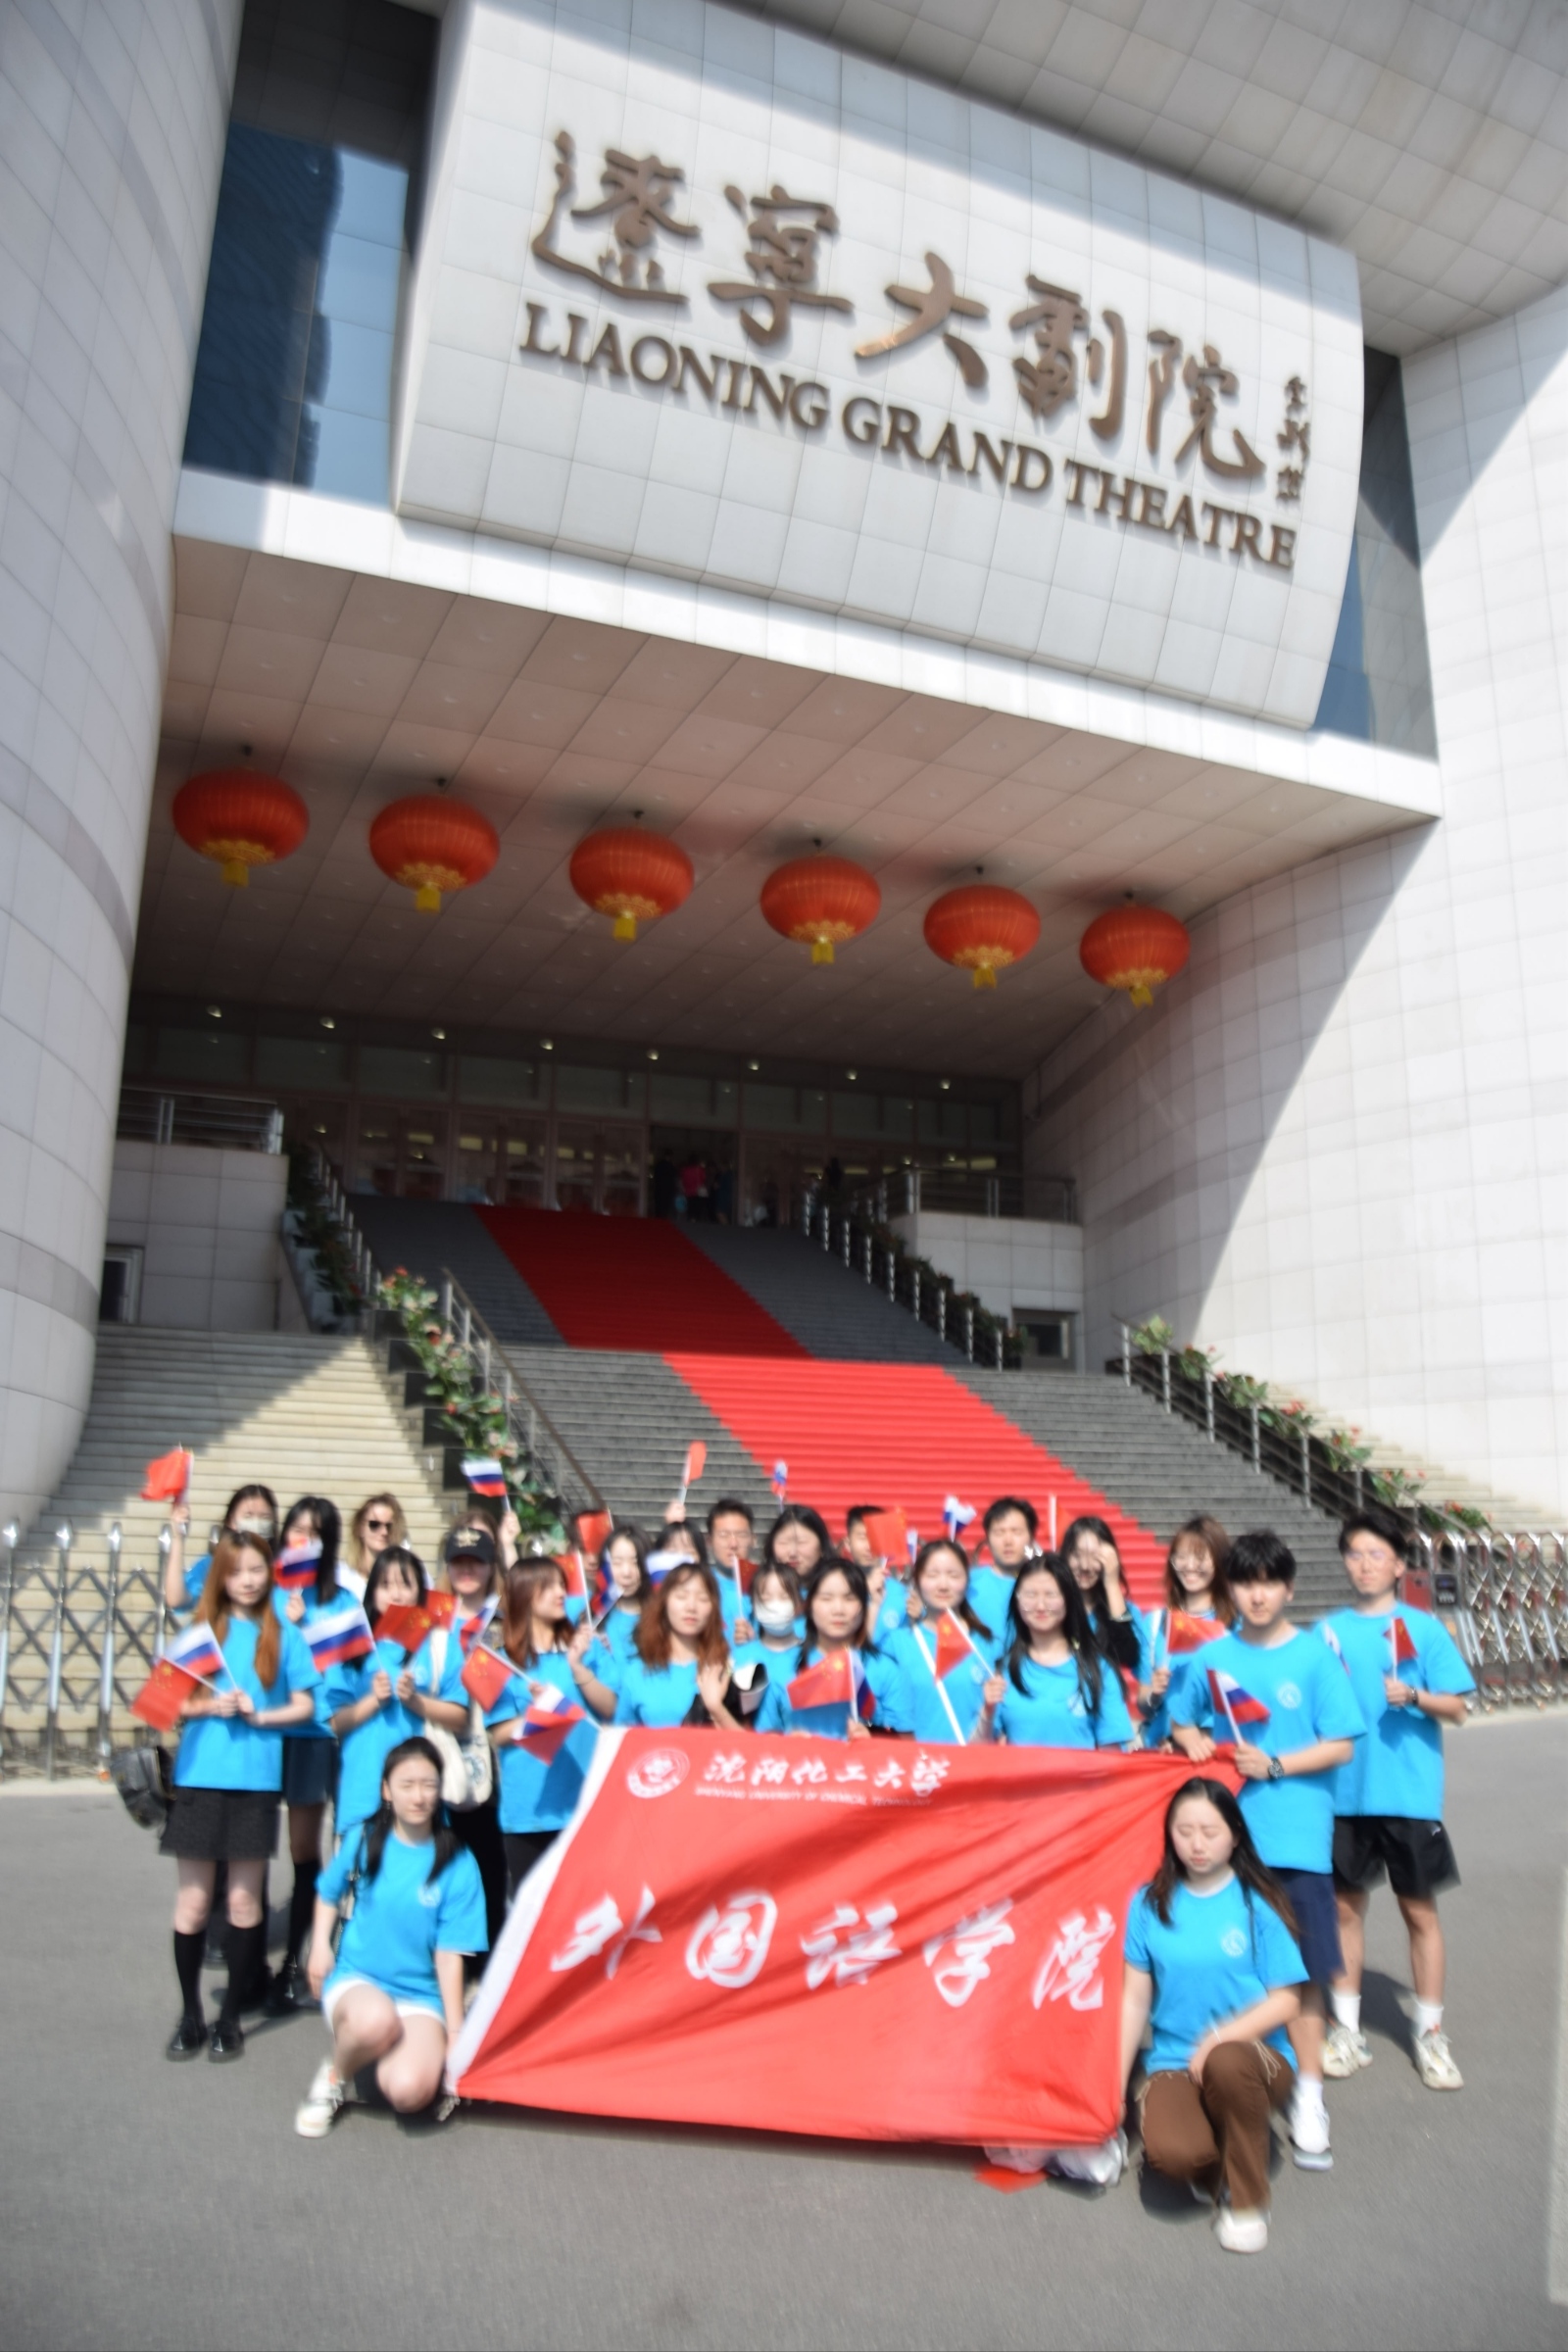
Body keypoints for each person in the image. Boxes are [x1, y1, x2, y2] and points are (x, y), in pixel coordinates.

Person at [1170, 1529, 1364, 2174]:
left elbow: (1341, 1744)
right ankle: (1229, 2077)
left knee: (1302, 1975)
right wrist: (1191, 1738)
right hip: (1225, 1845)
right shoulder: (1211, 1657)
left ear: (1289, 1589)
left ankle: (1309, 2095)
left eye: (1269, 1583)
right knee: (1233, 1962)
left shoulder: (1313, 1658)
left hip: (1296, 1843)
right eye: (1246, 1583)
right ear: (1230, 1589)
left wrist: (1276, 1765)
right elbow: (1181, 1719)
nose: (1257, 1595)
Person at [1318, 1507, 1474, 2091]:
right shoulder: (1326, 1632)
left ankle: (1430, 2034)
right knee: (1344, 1912)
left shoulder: (1423, 1629)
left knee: (1419, 1913)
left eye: (1377, 1555)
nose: (1365, 1564)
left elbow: (1458, 1707)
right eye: (1355, 1554)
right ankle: (1347, 2030)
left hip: (1407, 1795)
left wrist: (1413, 1695)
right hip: (1344, 1794)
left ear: (1399, 1565)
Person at [1122, 1780, 1307, 2255]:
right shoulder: (1147, 1904)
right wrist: (1114, 2084)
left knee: (1227, 2063)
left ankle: (1247, 2202)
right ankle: (1230, 2146)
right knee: (1177, 2156)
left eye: (1210, 1831)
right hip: (1173, 2060)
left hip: (1254, 2058)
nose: (1197, 1844)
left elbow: (1287, 2001)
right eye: (1184, 1831)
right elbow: (1135, 2000)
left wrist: (1218, 2039)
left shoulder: (1257, 1904)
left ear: (1235, 1836)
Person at [160, 1532, 319, 2062]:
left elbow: (305, 1704)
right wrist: (210, 1706)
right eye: (236, 1571)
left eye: (256, 1570)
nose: (247, 1580)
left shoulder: (285, 1633)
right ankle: (190, 2014)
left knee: (244, 1902)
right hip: (200, 1777)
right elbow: (166, 1702)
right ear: (220, 1577)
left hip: (256, 1782)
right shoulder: (201, 1630)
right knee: (194, 1902)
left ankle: (230, 2019)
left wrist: (262, 1715)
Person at [295, 1737, 488, 2137]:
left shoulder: (459, 1862)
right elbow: (328, 1893)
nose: (419, 1796)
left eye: (429, 1785)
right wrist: (319, 1948)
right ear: (386, 1790)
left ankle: (392, 2050)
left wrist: (455, 2033)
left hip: (421, 1996)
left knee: (408, 2092)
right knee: (374, 2021)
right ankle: (335, 2076)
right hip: (358, 1980)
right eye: (407, 1785)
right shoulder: (364, 1839)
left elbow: (449, 1956)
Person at [327, 1547, 468, 1841]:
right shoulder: (352, 1644)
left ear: (420, 1591)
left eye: (406, 1584)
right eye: (385, 1584)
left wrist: (416, 1702)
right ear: (372, 1590)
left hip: (420, 1794)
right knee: (358, 1867)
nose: (396, 1594)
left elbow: (459, 1717)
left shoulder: (439, 1642)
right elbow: (332, 1723)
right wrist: (373, 1701)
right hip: (362, 1788)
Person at [269, 1495, 349, 2010]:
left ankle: (298, 1960)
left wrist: (305, 1629)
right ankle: (256, 1958)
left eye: (314, 1533)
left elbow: (343, 1672)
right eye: (296, 1530)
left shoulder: (340, 1601)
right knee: (259, 1848)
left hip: (318, 1733)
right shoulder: (266, 1593)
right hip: (269, 1731)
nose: (303, 1540)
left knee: (310, 1849)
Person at [485, 1561, 600, 1898]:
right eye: (548, 1586)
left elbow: (612, 1710)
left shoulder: (585, 1652)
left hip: (585, 1806)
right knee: (533, 1915)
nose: (561, 1593)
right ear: (524, 1594)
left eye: (562, 1585)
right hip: (528, 1810)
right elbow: (497, 1735)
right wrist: (537, 1715)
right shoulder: (502, 1662)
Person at [971, 1554, 1134, 1750]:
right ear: (1016, 1601)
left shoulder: (1097, 1668)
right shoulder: (1002, 1670)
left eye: (1051, 1595)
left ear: (1068, 1599)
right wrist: (987, 1712)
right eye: (1030, 1595)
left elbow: (1112, 1752)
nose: (1040, 1606)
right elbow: (978, 1751)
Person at [438, 1524, 509, 1956]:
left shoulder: (504, 1618)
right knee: (443, 1854)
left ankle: (486, 1956)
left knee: (487, 1856)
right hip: (438, 1741)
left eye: (476, 1562)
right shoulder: (432, 1616)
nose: (467, 1570)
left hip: (489, 1747)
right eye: (459, 1561)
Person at [574, 1560, 741, 1731]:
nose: (691, 1607)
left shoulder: (725, 1670)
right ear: (664, 1603)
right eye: (681, 1596)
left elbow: (749, 1744)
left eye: (702, 1598)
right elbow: (622, 1738)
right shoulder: (637, 1673)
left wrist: (716, 1708)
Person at [757, 1558, 902, 1738]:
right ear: (809, 1605)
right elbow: (763, 1739)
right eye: (826, 1598)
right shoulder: (780, 1667)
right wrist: (786, 1745)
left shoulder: (886, 1670)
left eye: (849, 1598)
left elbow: (906, 1743)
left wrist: (872, 1739)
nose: (838, 1609)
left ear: (863, 1606)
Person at [885, 1540, 999, 1743]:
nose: (943, 1585)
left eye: (953, 1575)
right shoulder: (896, 1644)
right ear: (917, 1581)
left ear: (967, 1581)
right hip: (920, 1761)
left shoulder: (988, 1644)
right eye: (932, 1575)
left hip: (975, 1760)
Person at [1140, 1516, 1234, 1743]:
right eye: (1181, 1557)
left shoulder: (1233, 1626)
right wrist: (1153, 1694)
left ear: (1219, 1561)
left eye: (1200, 1558)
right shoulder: (1155, 1622)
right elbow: (1143, 1704)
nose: (1190, 1566)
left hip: (1212, 1749)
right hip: (1163, 1750)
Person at [163, 1482, 278, 1615]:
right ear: (231, 1521)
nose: (256, 1523)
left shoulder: (282, 1564)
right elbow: (176, 1600)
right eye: (248, 1516)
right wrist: (178, 1537)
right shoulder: (212, 1564)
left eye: (264, 1517)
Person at [1062, 1514, 1144, 1677]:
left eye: (1095, 1557)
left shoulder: (1124, 1610)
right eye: (1077, 1555)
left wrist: (1112, 1584)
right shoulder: (1052, 1607)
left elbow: (1128, 1654)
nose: (1085, 1566)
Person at [585, 1521, 654, 1685]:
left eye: (635, 1563)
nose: (626, 1572)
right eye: (617, 1563)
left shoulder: (661, 1616)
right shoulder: (592, 1615)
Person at [969, 1496, 1038, 1636]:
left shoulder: (1045, 1583)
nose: (1008, 1541)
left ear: (1031, 1538)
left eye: (1016, 1532)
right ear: (987, 1539)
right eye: (999, 1533)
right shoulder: (968, 1583)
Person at [707, 1495, 758, 1641]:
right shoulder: (701, 1586)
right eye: (724, 1535)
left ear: (753, 1540)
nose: (733, 1544)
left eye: (741, 1535)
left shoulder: (768, 1586)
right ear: (709, 1541)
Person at [344, 1494, 407, 1600]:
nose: (384, 1532)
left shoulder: (410, 1578)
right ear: (360, 1528)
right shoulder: (342, 1578)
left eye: (389, 1526)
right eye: (374, 1524)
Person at [763, 1504, 830, 1581]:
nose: (792, 1553)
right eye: (783, 1542)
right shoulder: (760, 1584)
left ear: (822, 1546)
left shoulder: (836, 1583)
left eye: (802, 1542)